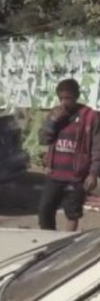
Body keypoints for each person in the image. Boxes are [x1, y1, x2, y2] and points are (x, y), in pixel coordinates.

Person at [38, 79, 100, 231]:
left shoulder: (89, 117)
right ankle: (49, 241)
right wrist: (53, 121)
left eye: (69, 98)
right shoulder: (55, 114)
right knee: (44, 210)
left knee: (72, 213)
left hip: (77, 176)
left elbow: (97, 147)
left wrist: (93, 173)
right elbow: (44, 139)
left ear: (76, 96)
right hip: (55, 174)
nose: (65, 102)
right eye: (62, 98)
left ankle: (67, 242)